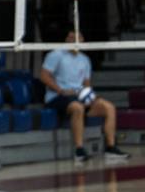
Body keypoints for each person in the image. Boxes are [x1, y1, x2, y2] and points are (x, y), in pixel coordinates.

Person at [40, 31, 129, 165]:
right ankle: (79, 150)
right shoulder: (56, 55)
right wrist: (61, 91)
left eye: (76, 38)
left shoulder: (85, 59)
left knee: (108, 107)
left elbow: (86, 84)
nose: (72, 40)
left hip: (78, 96)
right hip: (57, 97)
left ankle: (110, 148)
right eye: (69, 37)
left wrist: (91, 98)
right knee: (78, 108)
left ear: (82, 41)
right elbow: (44, 76)